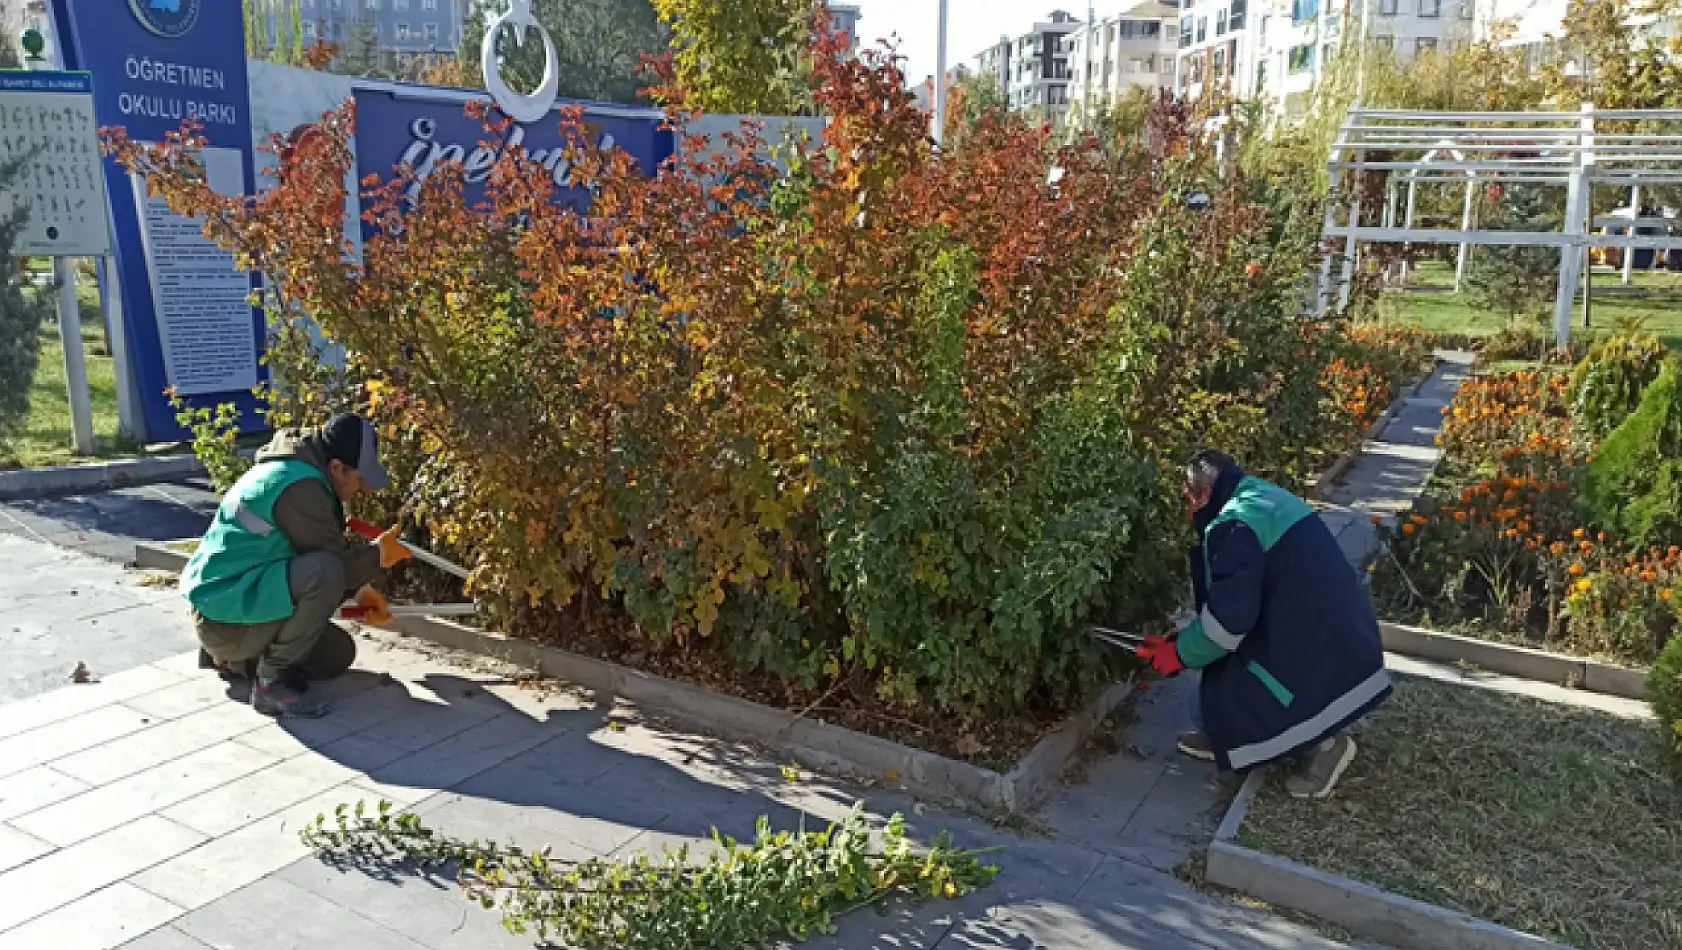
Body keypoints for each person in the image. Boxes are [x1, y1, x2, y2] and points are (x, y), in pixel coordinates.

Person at [1134, 450, 1391, 799]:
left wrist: (1179, 654)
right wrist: (1182, 640)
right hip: (1343, 640)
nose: (1188, 513)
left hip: (1318, 656)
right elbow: (1243, 601)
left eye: (1188, 501)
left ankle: (1327, 745)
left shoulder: (1233, 524)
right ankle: (1234, 737)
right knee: (1212, 703)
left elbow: (1228, 622)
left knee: (1207, 705)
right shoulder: (1259, 497)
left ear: (1203, 494)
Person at [181, 413, 412, 719]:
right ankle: (270, 685)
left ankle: (232, 661)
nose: (365, 489)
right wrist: (378, 556)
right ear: (337, 467)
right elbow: (333, 569)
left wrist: (361, 592)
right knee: (326, 573)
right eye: (360, 478)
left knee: (335, 655)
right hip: (226, 620)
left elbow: (317, 553)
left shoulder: (292, 469)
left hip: (228, 607)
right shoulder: (299, 488)